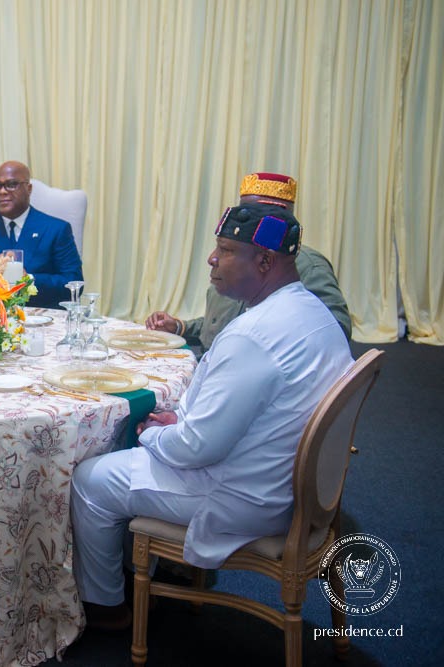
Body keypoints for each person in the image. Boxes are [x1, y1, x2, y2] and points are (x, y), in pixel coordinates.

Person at [71, 202, 353, 630]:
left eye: (225, 249)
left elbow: (195, 448)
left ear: (263, 261)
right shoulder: (313, 313)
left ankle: (106, 608)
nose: (211, 259)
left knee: (91, 478)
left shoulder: (253, 335)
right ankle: (136, 572)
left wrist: (147, 433)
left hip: (247, 498)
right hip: (296, 485)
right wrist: (183, 423)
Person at [146, 173, 351, 351]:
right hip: (212, 355)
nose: (252, 220)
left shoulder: (307, 265)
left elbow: (334, 332)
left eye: (265, 213)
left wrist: (256, 348)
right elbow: (220, 324)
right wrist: (181, 327)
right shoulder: (234, 260)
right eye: (246, 211)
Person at [0, 160, 83, 309]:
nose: (2, 191)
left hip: (44, 320)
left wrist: (28, 280)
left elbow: (74, 283)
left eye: (11, 184)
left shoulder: (56, 229)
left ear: (28, 189)